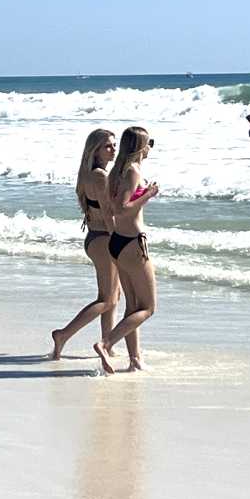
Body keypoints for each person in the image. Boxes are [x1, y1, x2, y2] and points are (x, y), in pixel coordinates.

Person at [51, 129, 133, 361]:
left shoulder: (88, 174)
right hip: (104, 239)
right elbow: (108, 215)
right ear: (94, 150)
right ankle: (63, 334)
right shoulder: (99, 176)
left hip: (95, 238)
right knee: (106, 299)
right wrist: (119, 241)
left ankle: (108, 343)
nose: (113, 149)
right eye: (107, 146)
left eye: (114, 145)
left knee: (112, 296)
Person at [94, 127, 159, 374]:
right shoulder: (132, 171)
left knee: (133, 306)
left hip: (118, 241)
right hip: (132, 243)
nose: (151, 147)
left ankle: (135, 360)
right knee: (148, 308)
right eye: (149, 142)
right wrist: (148, 194)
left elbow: (111, 208)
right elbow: (121, 208)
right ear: (141, 146)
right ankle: (106, 342)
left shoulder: (117, 171)